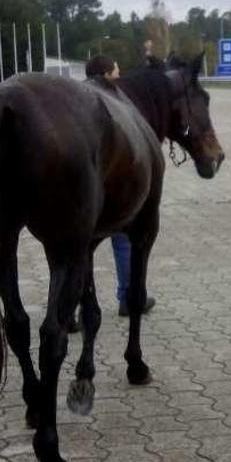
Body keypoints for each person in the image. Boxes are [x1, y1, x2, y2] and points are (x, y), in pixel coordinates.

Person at [84, 55, 156, 316]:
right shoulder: (114, 103)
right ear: (105, 75)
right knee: (124, 238)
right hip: (110, 190)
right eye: (116, 73)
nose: (120, 77)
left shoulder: (77, 102)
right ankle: (129, 295)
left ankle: (72, 306)